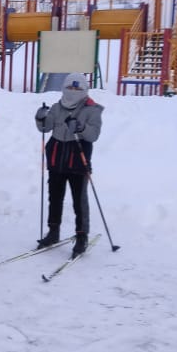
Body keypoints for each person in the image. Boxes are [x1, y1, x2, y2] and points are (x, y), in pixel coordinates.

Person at [34, 72, 104, 257]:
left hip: (78, 159)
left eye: (77, 88)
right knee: (55, 198)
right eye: (69, 87)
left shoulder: (92, 109)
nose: (73, 91)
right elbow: (46, 127)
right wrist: (40, 118)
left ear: (84, 89)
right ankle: (53, 231)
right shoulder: (57, 107)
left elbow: (94, 135)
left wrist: (81, 127)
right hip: (56, 159)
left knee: (79, 201)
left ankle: (82, 236)